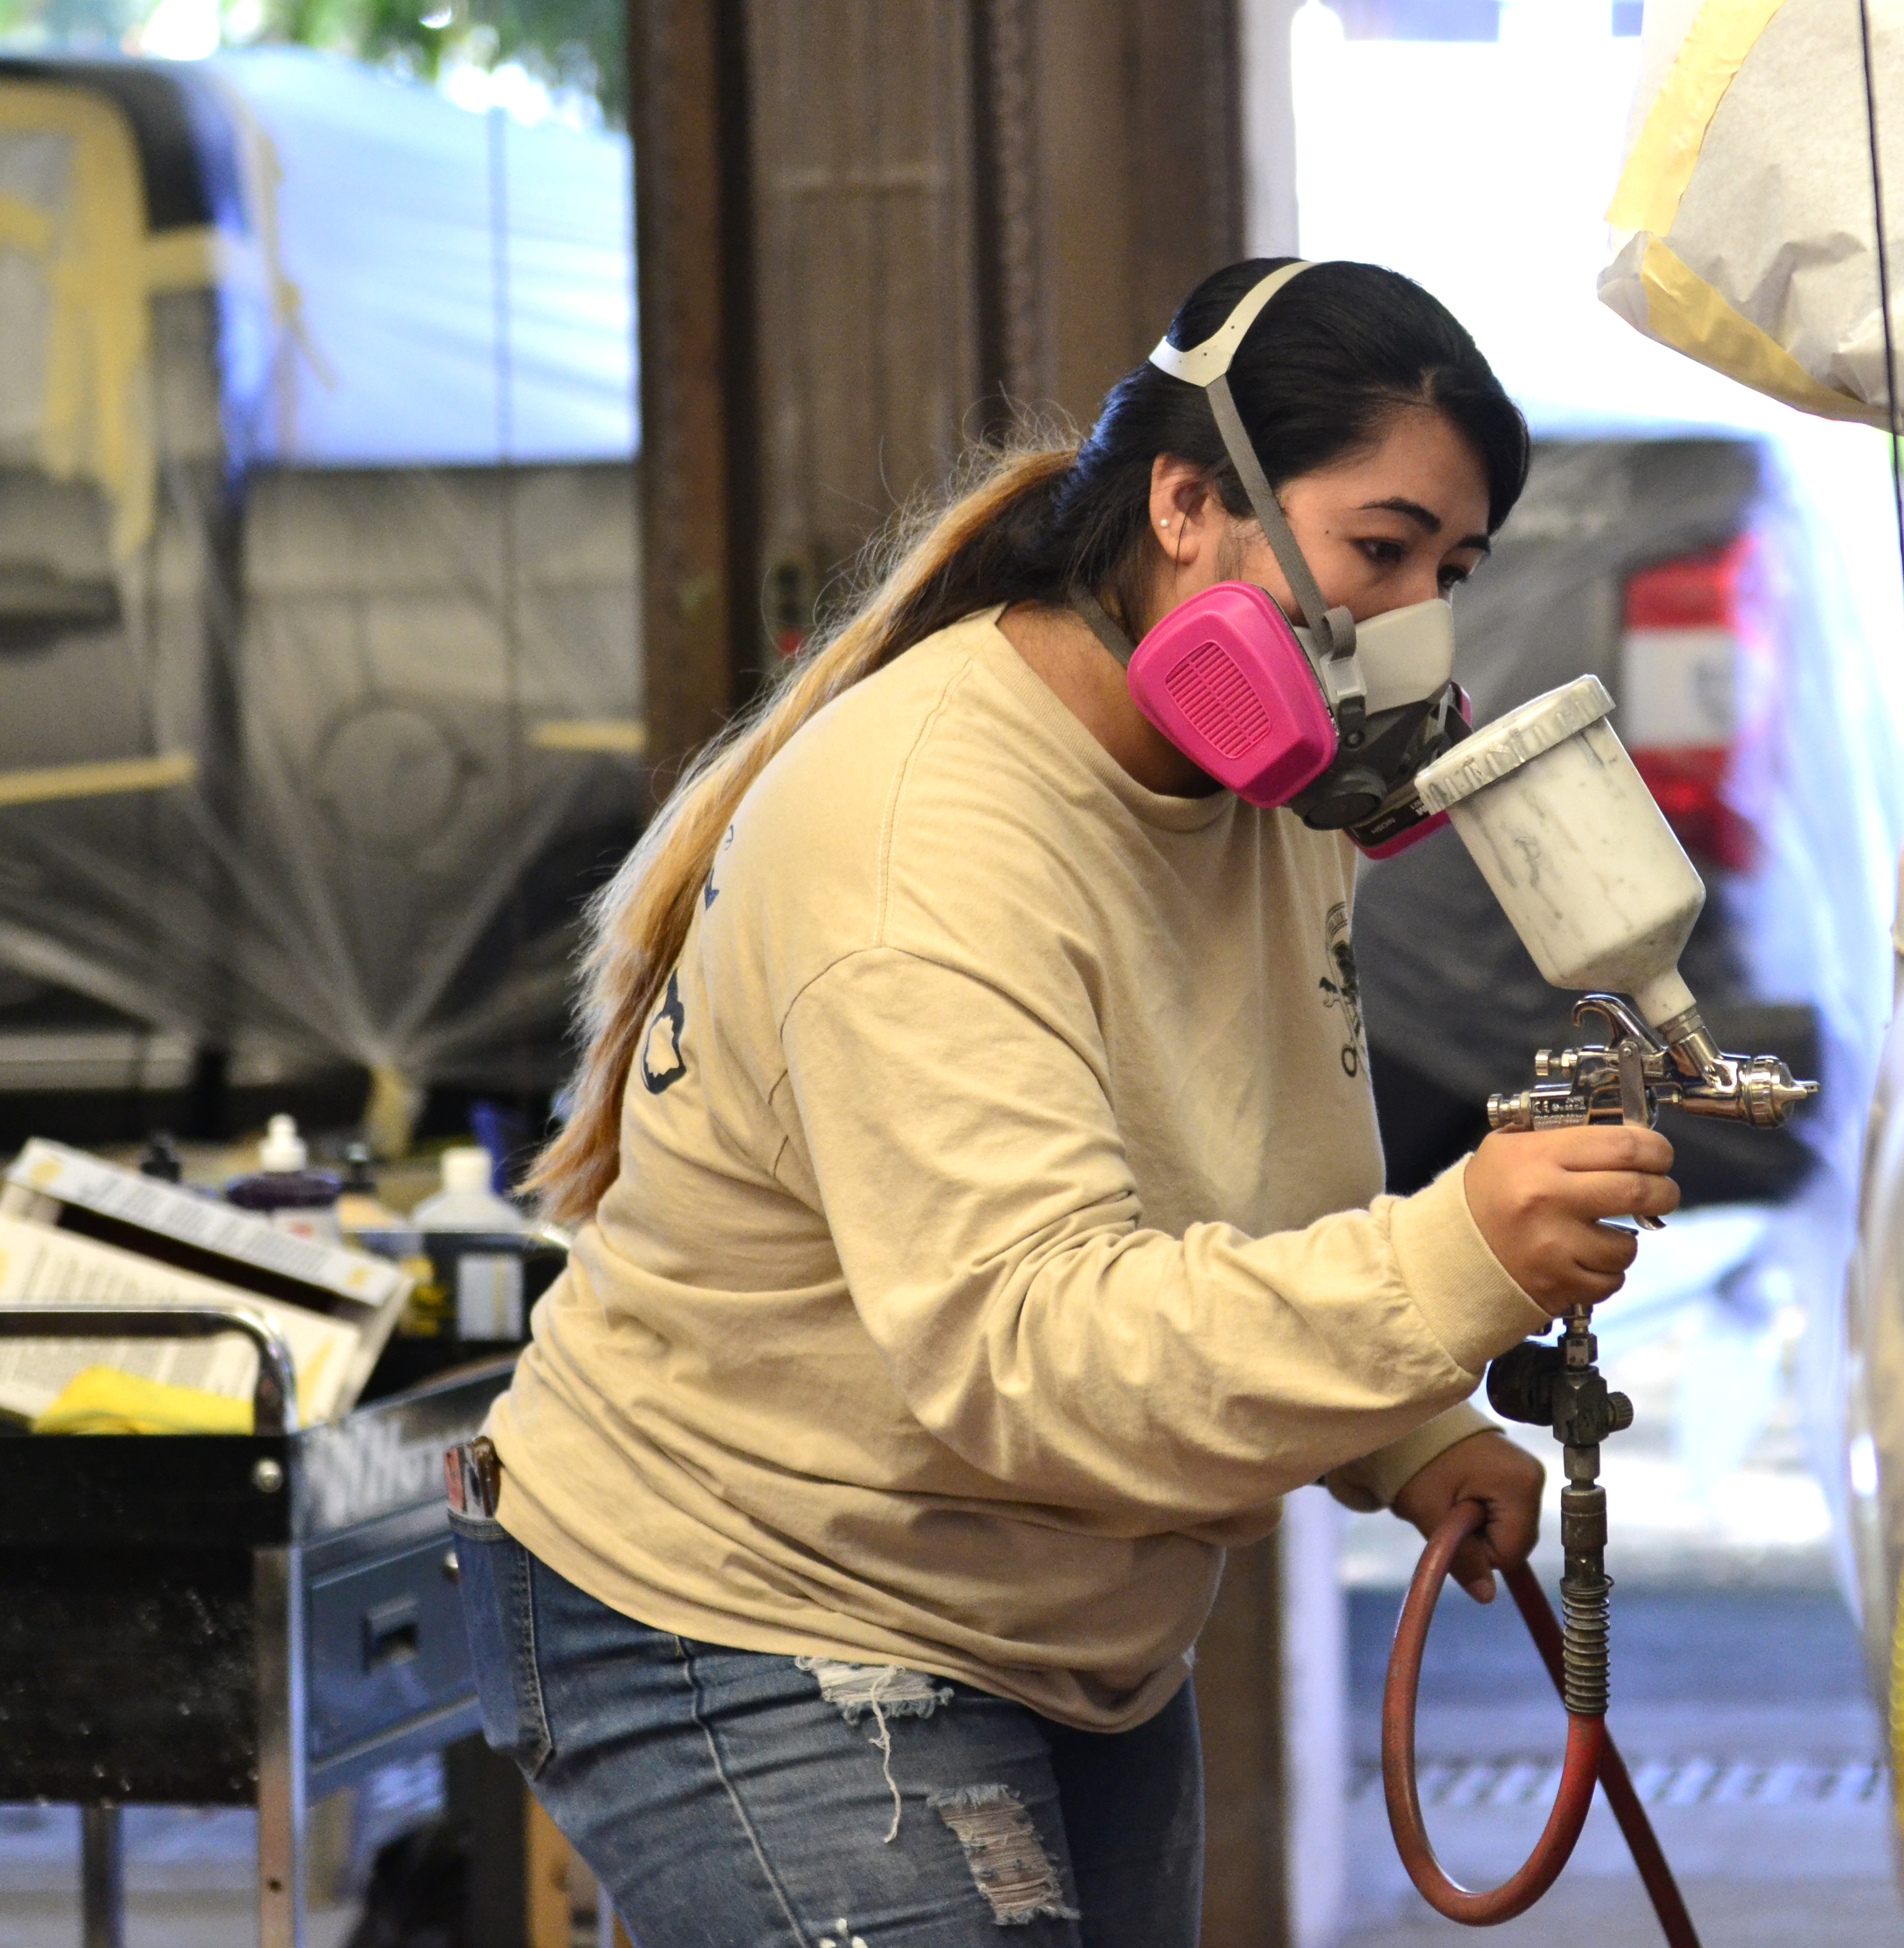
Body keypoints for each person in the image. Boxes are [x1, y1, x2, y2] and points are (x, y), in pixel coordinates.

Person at [450, 257, 1677, 1946]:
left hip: (1055, 1609)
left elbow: (1229, 1191)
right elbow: (1016, 1341)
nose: (1412, 629)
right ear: (1191, 501)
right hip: (748, 1589)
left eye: (1448, 573)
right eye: (1378, 552)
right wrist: (1450, 1265)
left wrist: (1407, 1428)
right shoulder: (928, 831)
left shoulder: (1278, 801)